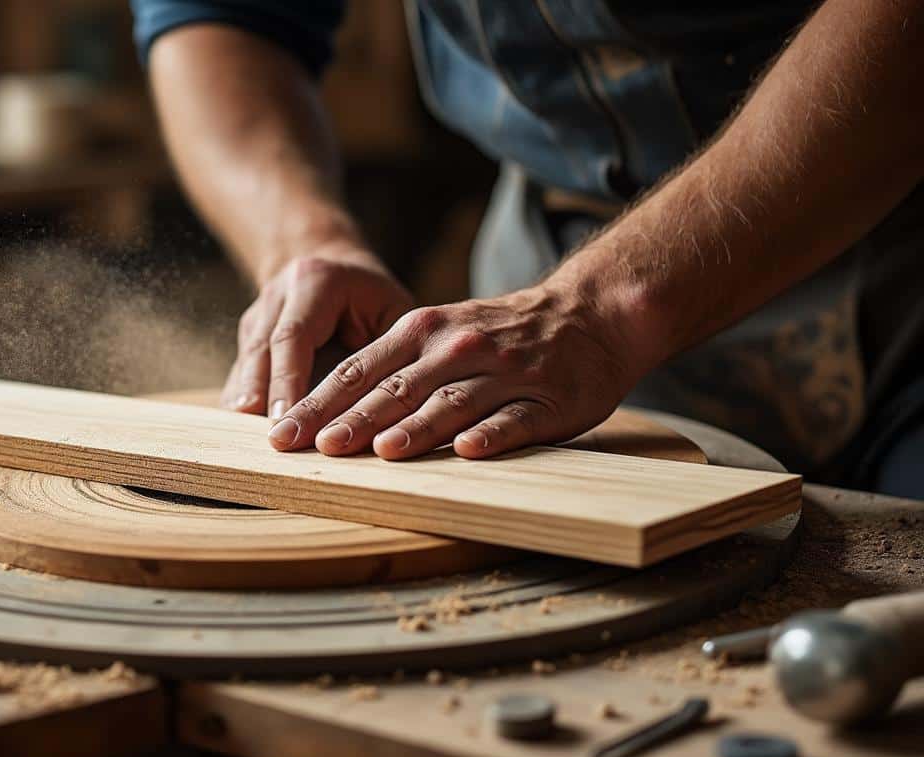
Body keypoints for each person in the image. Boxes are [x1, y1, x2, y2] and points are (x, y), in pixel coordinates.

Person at [129, 0, 924, 498]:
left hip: (895, 258)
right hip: (553, 266)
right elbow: (225, 18)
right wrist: (304, 238)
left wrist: (603, 310)